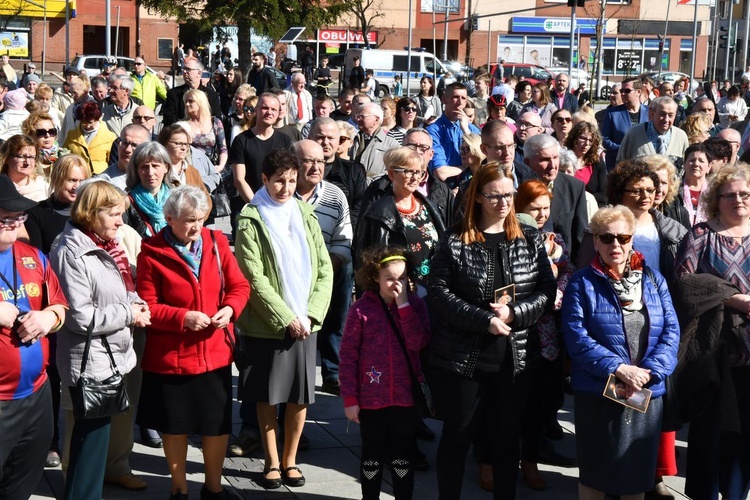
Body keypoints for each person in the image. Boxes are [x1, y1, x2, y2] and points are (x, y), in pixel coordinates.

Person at [427, 161, 556, 499]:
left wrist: (515, 313)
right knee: (458, 436)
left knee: (505, 439)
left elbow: (546, 288)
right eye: (494, 196)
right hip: (463, 357)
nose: (503, 203)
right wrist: (483, 319)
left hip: (515, 358)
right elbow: (438, 293)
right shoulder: (455, 239)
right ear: (478, 198)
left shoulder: (529, 237)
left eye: (508, 195)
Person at [135, 185, 250, 500]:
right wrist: (182, 318)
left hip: (214, 353)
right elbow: (147, 306)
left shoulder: (216, 243)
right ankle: (179, 488)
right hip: (172, 357)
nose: (197, 226)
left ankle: (213, 487)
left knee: (216, 425)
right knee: (175, 426)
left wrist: (230, 308)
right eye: (189, 220)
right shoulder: (151, 252)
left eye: (201, 219)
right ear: (169, 218)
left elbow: (239, 285)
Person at [562, 204, 679, 500]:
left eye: (623, 238)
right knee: (595, 471)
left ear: (632, 239)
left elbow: (671, 332)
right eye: (607, 237)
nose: (616, 244)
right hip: (599, 388)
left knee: (636, 473)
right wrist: (618, 368)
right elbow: (576, 337)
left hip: (646, 391)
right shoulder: (581, 282)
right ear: (596, 241)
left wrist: (651, 372)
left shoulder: (654, 280)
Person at [234, 149, 333, 489]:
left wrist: (313, 313)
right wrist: (286, 317)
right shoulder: (250, 217)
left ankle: (291, 460)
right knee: (268, 395)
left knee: (299, 396)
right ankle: (272, 461)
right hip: (269, 324)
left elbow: (324, 267)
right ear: (264, 180)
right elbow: (254, 276)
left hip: (306, 323)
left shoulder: (305, 212)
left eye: (292, 181)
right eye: (279, 181)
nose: (286, 188)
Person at [50, 180, 151, 500]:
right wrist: (129, 314)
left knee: (96, 440)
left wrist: (136, 302)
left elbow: (117, 291)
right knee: (88, 442)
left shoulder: (109, 244)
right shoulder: (70, 251)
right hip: (90, 359)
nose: (121, 221)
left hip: (110, 356)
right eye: (115, 215)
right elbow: (79, 316)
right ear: (92, 214)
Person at [674, 163, 750, 500]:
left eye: (745, 194)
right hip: (712, 352)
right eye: (729, 195)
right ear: (715, 200)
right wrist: (733, 299)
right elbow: (684, 283)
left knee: (745, 437)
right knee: (710, 434)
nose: (739, 200)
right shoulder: (701, 236)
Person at [340, 246, 430, 500]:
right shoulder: (361, 309)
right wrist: (350, 399)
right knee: (372, 456)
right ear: (375, 278)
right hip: (371, 400)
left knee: (403, 457)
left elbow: (417, 343)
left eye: (402, 278)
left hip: (405, 399)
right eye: (390, 278)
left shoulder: (415, 305)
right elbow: (348, 357)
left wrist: (403, 307)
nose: (396, 284)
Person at [0, 175, 67, 498]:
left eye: (18, 216)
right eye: (5, 218)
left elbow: (60, 306)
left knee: (22, 483)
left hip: (36, 396)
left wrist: (47, 317)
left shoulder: (33, 256)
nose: (13, 224)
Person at [514, 179, 576, 492]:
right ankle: (493, 457)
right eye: (533, 208)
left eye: (545, 208)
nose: (540, 214)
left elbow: (567, 270)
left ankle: (531, 458)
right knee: (511, 400)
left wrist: (557, 291)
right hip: (516, 330)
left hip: (547, 331)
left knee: (539, 400)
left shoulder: (554, 241)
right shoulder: (511, 237)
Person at [356, 146, 446, 284]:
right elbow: (366, 261)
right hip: (397, 290)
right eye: (408, 172)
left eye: (419, 172)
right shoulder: (378, 213)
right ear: (392, 174)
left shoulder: (429, 207)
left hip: (433, 289)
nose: (415, 178)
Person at [427, 82, 481, 182]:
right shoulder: (433, 131)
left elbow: (480, 161)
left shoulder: (472, 130)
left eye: (463, 98)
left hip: (470, 185)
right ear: (444, 99)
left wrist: (466, 131)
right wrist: (466, 167)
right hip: (444, 187)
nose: (460, 102)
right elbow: (441, 173)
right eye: (455, 97)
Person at [617, 97, 690, 165]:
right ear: (652, 113)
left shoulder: (681, 136)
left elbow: (686, 166)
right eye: (662, 114)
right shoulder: (634, 134)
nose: (666, 119)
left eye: (670, 115)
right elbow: (620, 164)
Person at [123, 142, 172, 239]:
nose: (150, 173)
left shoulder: (177, 199)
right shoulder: (127, 203)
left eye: (155, 166)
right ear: (136, 170)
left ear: (166, 167)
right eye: (144, 167)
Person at [601, 78, 649, 170]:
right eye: (621, 91)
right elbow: (605, 140)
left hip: (644, 166)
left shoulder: (650, 112)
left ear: (638, 92)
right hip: (619, 165)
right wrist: (625, 150)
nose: (622, 94)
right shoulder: (612, 113)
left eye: (627, 91)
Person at [162, 57, 221, 127]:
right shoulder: (174, 94)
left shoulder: (211, 95)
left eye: (188, 69)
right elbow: (169, 119)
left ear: (199, 73)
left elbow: (216, 119)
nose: (184, 71)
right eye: (184, 68)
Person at [63, 101, 118, 175]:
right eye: (84, 122)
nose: (87, 126)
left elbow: (113, 164)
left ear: (98, 118)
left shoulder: (110, 137)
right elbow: (65, 156)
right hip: (76, 175)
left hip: (100, 177)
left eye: (91, 122)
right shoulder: (71, 134)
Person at [350, 102, 400, 182]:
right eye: (357, 116)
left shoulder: (392, 145)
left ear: (376, 119)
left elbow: (394, 172)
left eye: (362, 116)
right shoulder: (350, 140)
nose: (358, 119)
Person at [183, 89, 228, 173]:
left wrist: (221, 166)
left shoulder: (215, 122)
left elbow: (223, 148)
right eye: (186, 101)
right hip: (191, 169)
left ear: (200, 102)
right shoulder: (184, 126)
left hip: (212, 168)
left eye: (191, 101)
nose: (187, 104)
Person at [564, 121, 607, 206]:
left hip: (590, 208)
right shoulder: (562, 159)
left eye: (590, 140)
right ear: (574, 138)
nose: (586, 144)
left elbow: (603, 195)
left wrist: (583, 198)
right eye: (583, 138)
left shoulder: (597, 162)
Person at [643, 154, 690, 229]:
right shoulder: (632, 213)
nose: (660, 189)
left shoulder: (679, 214)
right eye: (655, 182)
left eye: (664, 183)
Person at [0, 133, 49, 201]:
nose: (28, 163)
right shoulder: (2, 189)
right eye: (21, 157)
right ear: (7, 159)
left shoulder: (44, 189)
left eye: (32, 157)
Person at [678, 142, 711, 226]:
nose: (696, 164)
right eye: (692, 160)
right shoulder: (674, 190)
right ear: (684, 164)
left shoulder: (714, 193)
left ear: (709, 167)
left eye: (701, 161)